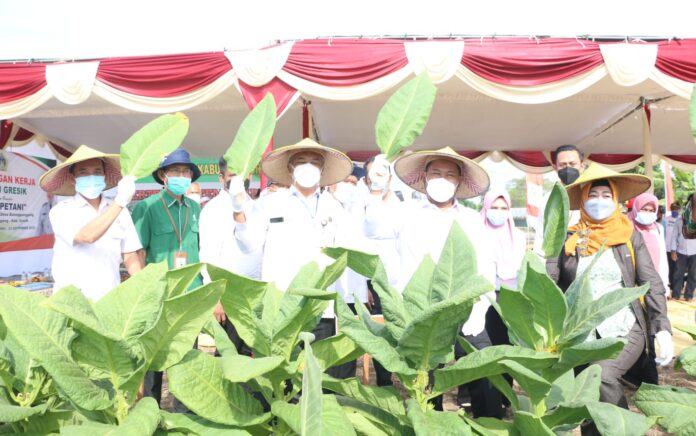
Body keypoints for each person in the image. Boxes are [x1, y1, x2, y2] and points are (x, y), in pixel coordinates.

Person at [365, 147, 499, 417]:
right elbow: (373, 227)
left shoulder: (471, 220)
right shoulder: (405, 212)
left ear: (459, 181)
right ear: (424, 177)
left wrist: (480, 307)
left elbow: (486, 265)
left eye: (450, 174)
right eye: (436, 173)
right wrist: (377, 187)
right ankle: (429, 423)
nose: (442, 179)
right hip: (419, 308)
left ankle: (488, 424)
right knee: (425, 380)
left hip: (463, 307)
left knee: (484, 373)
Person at [546, 163, 673, 435]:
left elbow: (651, 283)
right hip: (578, 331)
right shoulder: (569, 237)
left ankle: (623, 430)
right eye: (593, 195)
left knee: (602, 377)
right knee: (585, 395)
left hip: (624, 326)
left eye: (606, 195)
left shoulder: (629, 236)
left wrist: (662, 327)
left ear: (615, 199)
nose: (600, 201)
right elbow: (550, 280)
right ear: (583, 199)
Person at [230, 138, 354, 378]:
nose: (308, 166)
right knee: (283, 376)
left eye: (314, 162)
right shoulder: (269, 203)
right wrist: (238, 211)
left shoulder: (335, 207)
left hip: (320, 306)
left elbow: (346, 254)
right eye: (301, 161)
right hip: (281, 305)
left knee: (318, 377)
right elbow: (248, 245)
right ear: (290, 169)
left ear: (322, 169)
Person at [131, 147, 202, 405]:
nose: (181, 176)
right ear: (163, 176)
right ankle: (151, 415)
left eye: (186, 172)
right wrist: (143, 293)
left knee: (186, 358)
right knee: (154, 361)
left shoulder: (195, 209)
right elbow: (136, 253)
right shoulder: (147, 208)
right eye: (175, 171)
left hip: (190, 295)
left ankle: (185, 417)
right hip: (159, 296)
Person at [39, 145, 142, 300]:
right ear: (73, 179)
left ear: (105, 177)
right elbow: (86, 236)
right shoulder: (61, 211)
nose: (91, 177)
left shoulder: (121, 211)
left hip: (109, 296)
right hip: (73, 300)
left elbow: (130, 254)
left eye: (97, 172)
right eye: (84, 172)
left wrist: (141, 285)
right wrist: (120, 202)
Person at [199, 157, 261, 354]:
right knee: (230, 356)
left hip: (255, 294)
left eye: (242, 175)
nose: (237, 181)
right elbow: (208, 256)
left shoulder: (257, 206)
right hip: (228, 297)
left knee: (253, 357)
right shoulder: (213, 209)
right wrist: (216, 298)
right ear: (221, 178)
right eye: (232, 175)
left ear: (250, 175)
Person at [533, 144, 586, 255]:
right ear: (555, 167)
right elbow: (541, 235)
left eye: (572, 164)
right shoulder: (548, 199)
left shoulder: (591, 195)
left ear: (582, 165)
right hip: (554, 258)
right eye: (563, 165)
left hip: (584, 253)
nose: (568, 168)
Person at [669, 194, 696, 301]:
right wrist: (673, 251)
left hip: (695, 252)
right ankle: (675, 295)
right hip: (681, 252)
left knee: (693, 275)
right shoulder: (680, 220)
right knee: (678, 274)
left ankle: (688, 295)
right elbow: (674, 237)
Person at [665, 201, 682, 292]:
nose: (674, 211)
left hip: (678, 249)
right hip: (667, 248)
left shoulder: (682, 220)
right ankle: (671, 285)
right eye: (673, 209)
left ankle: (679, 286)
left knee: (678, 268)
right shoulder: (666, 219)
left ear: (679, 210)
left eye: (676, 209)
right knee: (670, 268)